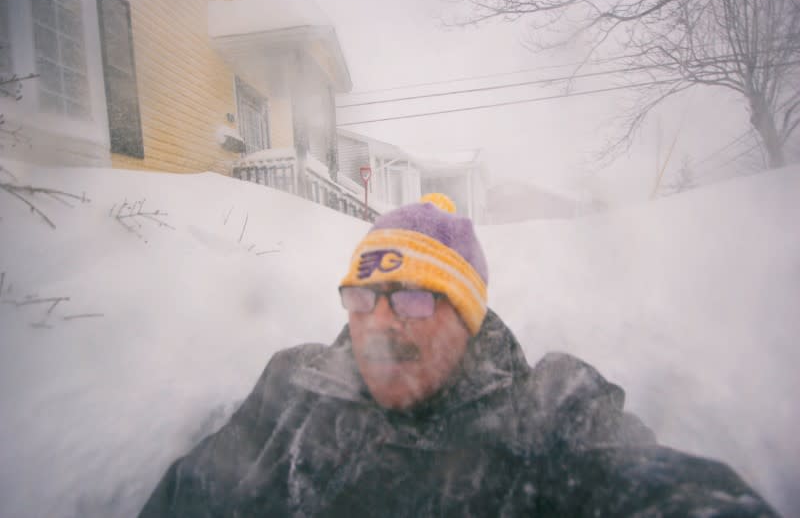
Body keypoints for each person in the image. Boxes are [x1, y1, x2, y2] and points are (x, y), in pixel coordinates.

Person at [140, 193, 778, 517]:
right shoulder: (294, 387)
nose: (380, 323)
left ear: (468, 320)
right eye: (362, 298)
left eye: (414, 299)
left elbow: (655, 487)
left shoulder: (547, 412)